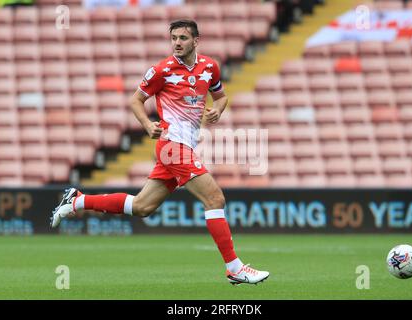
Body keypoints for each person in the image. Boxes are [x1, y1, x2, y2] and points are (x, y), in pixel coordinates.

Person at [51, 19, 269, 286]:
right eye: (174, 38)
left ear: (196, 41)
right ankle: (234, 268)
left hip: (185, 146)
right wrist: (147, 124)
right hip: (171, 145)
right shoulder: (161, 70)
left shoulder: (209, 67)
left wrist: (218, 109)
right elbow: (136, 100)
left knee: (142, 206)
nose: (177, 42)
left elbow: (221, 96)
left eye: (183, 38)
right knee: (214, 199)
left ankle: (76, 200)